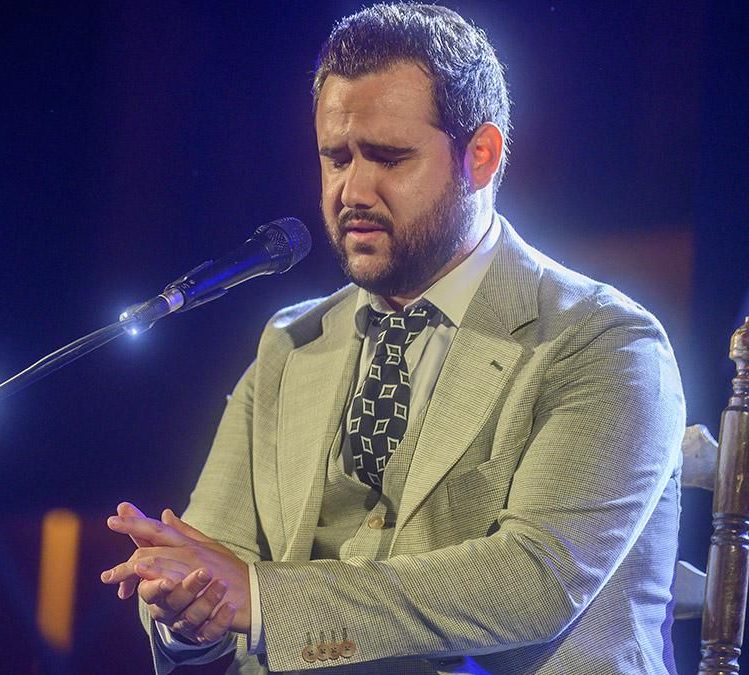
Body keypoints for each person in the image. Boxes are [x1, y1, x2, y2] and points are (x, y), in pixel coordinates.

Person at [100, 4, 684, 674]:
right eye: (335, 156)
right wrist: (188, 609)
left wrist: (260, 598)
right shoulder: (291, 343)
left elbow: (535, 580)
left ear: (482, 156)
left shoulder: (604, 342)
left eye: (388, 157)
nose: (353, 188)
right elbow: (214, 558)